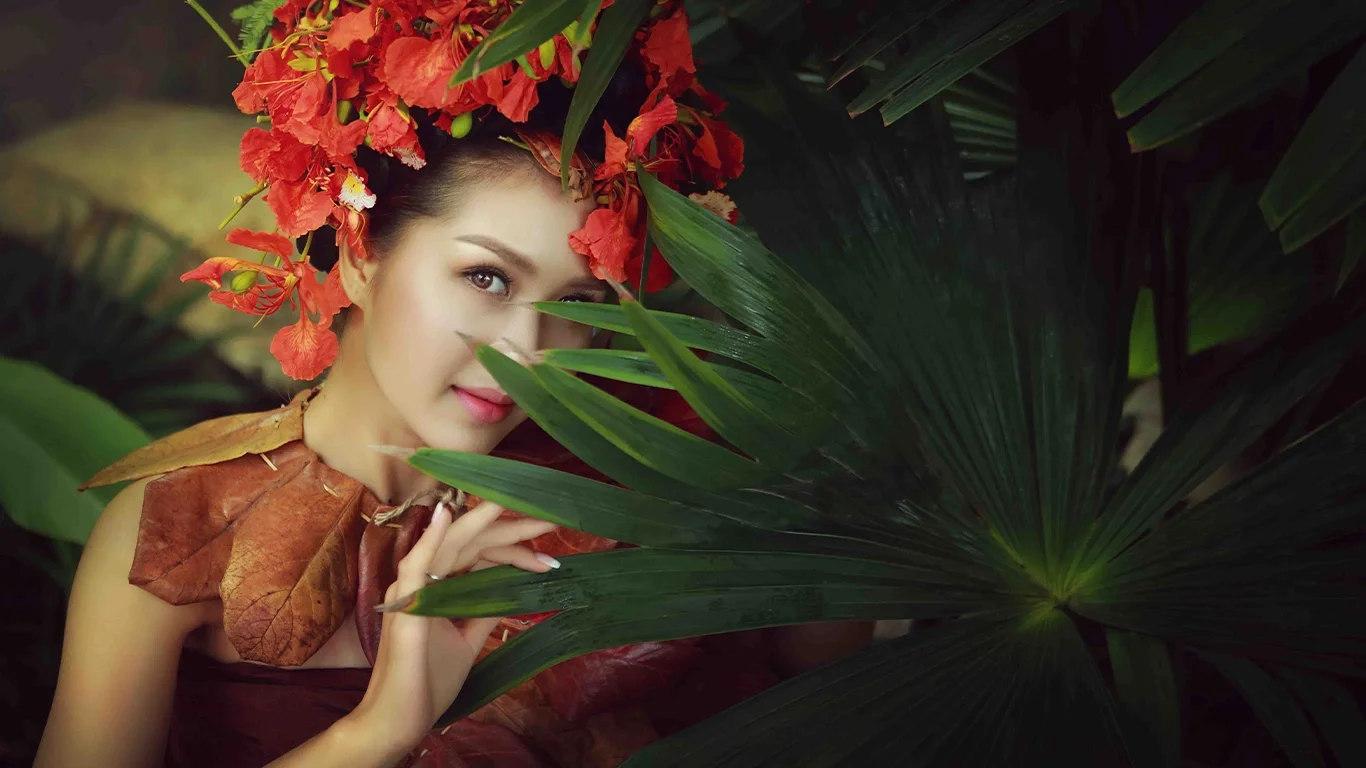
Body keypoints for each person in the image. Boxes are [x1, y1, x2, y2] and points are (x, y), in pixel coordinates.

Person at [34, 3, 872, 765]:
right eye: (486, 279)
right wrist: (379, 733)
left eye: (578, 302)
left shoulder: (652, 469)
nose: (530, 351)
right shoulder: (175, 527)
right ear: (360, 251)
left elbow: (824, 702)